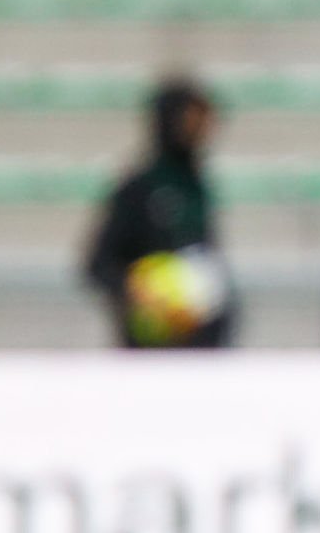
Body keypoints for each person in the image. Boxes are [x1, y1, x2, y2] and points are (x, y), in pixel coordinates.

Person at [83, 75, 235, 349]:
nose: (201, 130)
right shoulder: (140, 188)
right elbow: (97, 263)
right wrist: (136, 292)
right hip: (150, 348)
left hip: (200, 345)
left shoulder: (198, 186)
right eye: (191, 120)